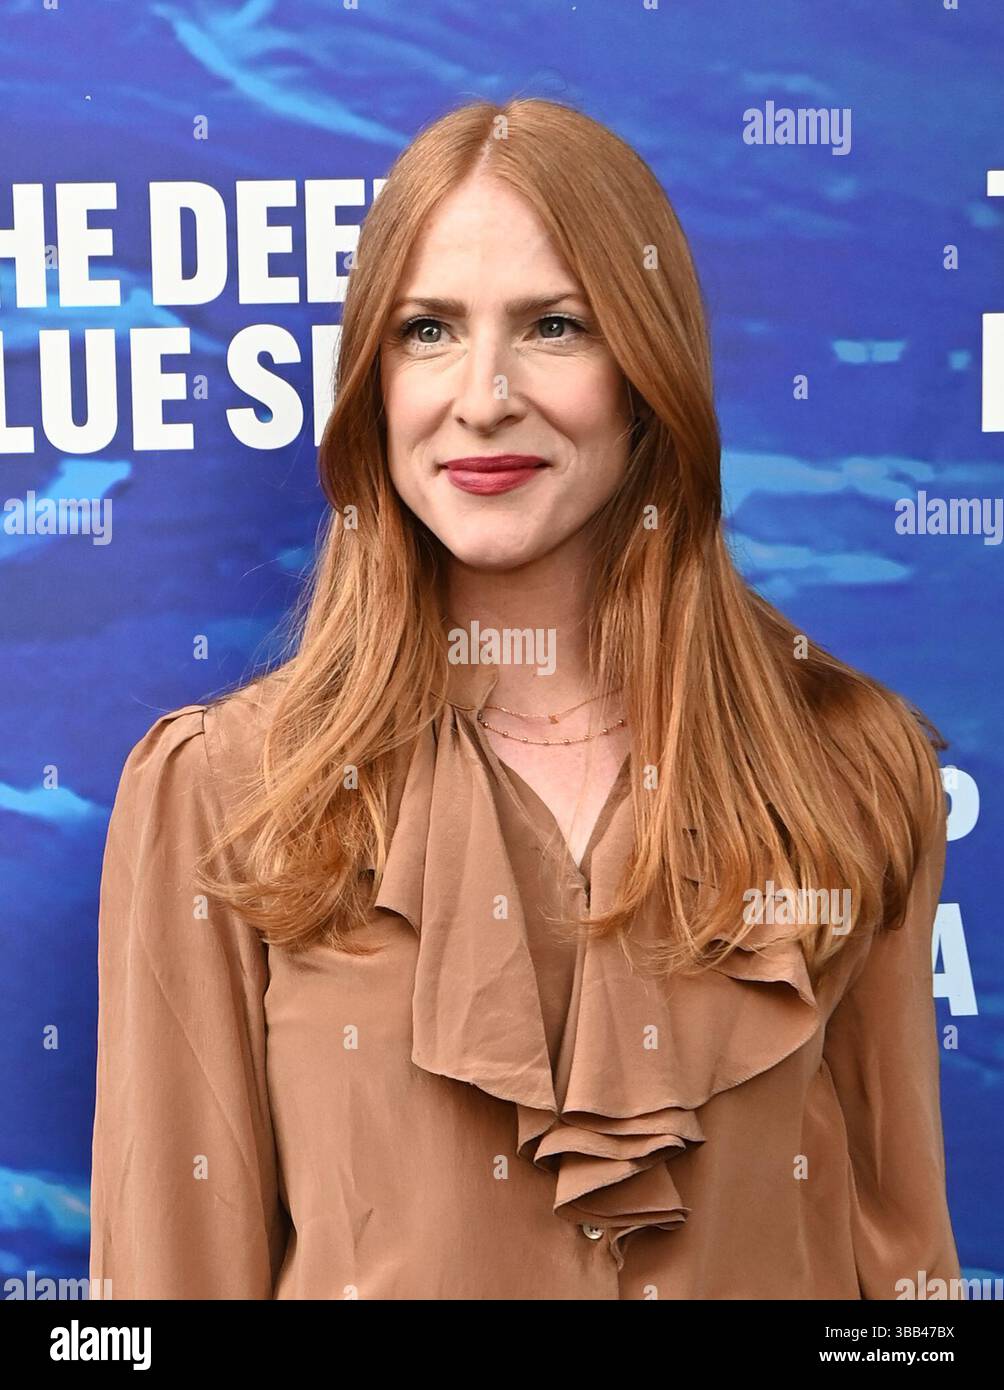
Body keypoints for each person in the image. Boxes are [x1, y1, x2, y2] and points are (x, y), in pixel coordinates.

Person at [88, 97, 962, 1300]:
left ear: (645, 371)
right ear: (371, 382)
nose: (484, 394)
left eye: (553, 325)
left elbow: (898, 1263)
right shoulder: (219, 791)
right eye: (428, 330)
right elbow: (168, 1281)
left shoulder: (852, 767)